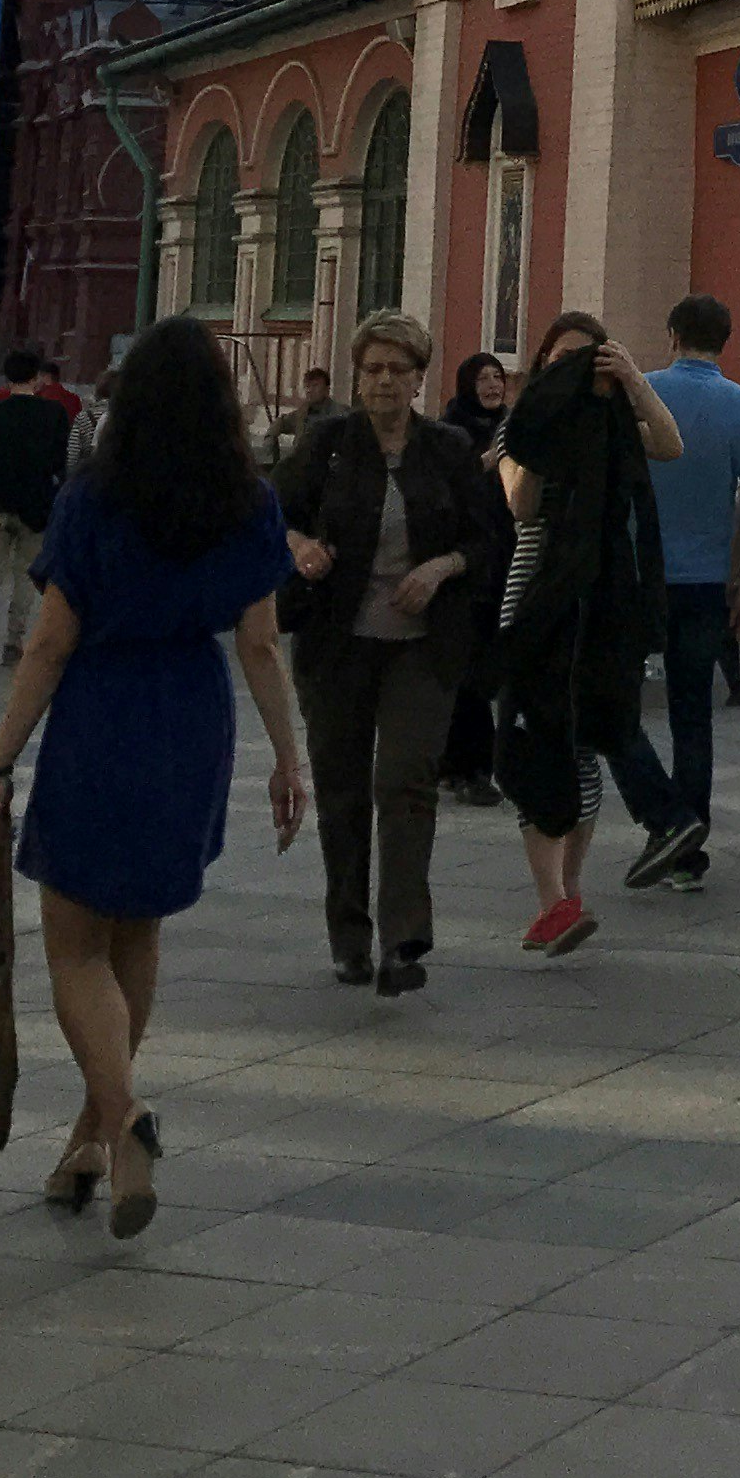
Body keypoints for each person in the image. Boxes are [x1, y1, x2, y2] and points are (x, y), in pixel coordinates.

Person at [0, 317, 301, 1235]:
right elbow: (261, 643)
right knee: (137, 937)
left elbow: (49, 642)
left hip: (101, 714)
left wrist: (0, 761)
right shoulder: (249, 501)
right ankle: (92, 1144)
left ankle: (121, 1118)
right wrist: (289, 757)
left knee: (75, 947)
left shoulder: (94, 497)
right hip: (191, 718)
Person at [275, 309, 501, 996]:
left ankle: (403, 938)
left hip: (422, 646)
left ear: (419, 379)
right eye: (372, 370)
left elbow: (487, 539)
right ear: (356, 375)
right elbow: (271, 515)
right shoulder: (327, 443)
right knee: (342, 788)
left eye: (397, 371)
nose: (383, 382)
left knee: (405, 779)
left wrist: (441, 568)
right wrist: (300, 547)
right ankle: (348, 935)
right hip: (336, 643)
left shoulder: (448, 449)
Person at [487, 311, 677, 954]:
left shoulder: (615, 422)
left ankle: (568, 891)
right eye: (561, 358)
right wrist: (546, 438)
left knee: (587, 739)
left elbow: (670, 443)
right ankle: (553, 900)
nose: (572, 369)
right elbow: (520, 504)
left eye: (586, 358)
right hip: (537, 592)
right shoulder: (523, 425)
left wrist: (635, 382)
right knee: (531, 738)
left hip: (600, 597)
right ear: (543, 366)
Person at [610, 295, 740, 895]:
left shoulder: (641, 393)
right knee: (692, 715)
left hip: (637, 575)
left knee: (614, 705)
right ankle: (688, 852)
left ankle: (664, 816)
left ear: (672, 335)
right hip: (706, 581)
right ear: (725, 341)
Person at [436, 353, 512, 800]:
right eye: (482, 378)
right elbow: (444, 491)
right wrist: (486, 462)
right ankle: (471, 769)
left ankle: (458, 763)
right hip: (464, 565)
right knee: (469, 671)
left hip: (506, 561)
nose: (492, 385)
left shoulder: (513, 427)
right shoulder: (450, 432)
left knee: (485, 669)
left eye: (497, 377)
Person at [0, 344, 69, 669]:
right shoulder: (54, 414)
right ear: (38, 377)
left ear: (6, 378)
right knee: (25, 574)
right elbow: (60, 464)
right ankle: (13, 641)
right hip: (36, 506)